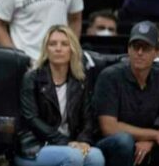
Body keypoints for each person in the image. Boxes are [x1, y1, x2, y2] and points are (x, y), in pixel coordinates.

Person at [94, 21, 159, 166]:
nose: (139, 52)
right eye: (135, 47)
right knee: (124, 141)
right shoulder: (109, 76)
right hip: (112, 146)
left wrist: (151, 142)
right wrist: (155, 135)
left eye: (146, 48)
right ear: (128, 49)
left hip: (146, 145)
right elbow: (109, 128)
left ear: (157, 52)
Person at [15, 25, 104, 166]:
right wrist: (65, 142)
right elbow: (31, 118)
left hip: (70, 144)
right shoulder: (32, 78)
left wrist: (83, 141)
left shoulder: (80, 81)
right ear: (46, 49)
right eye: (52, 44)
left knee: (96, 157)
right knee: (74, 157)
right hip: (38, 145)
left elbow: (88, 119)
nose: (58, 48)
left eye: (64, 44)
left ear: (72, 49)